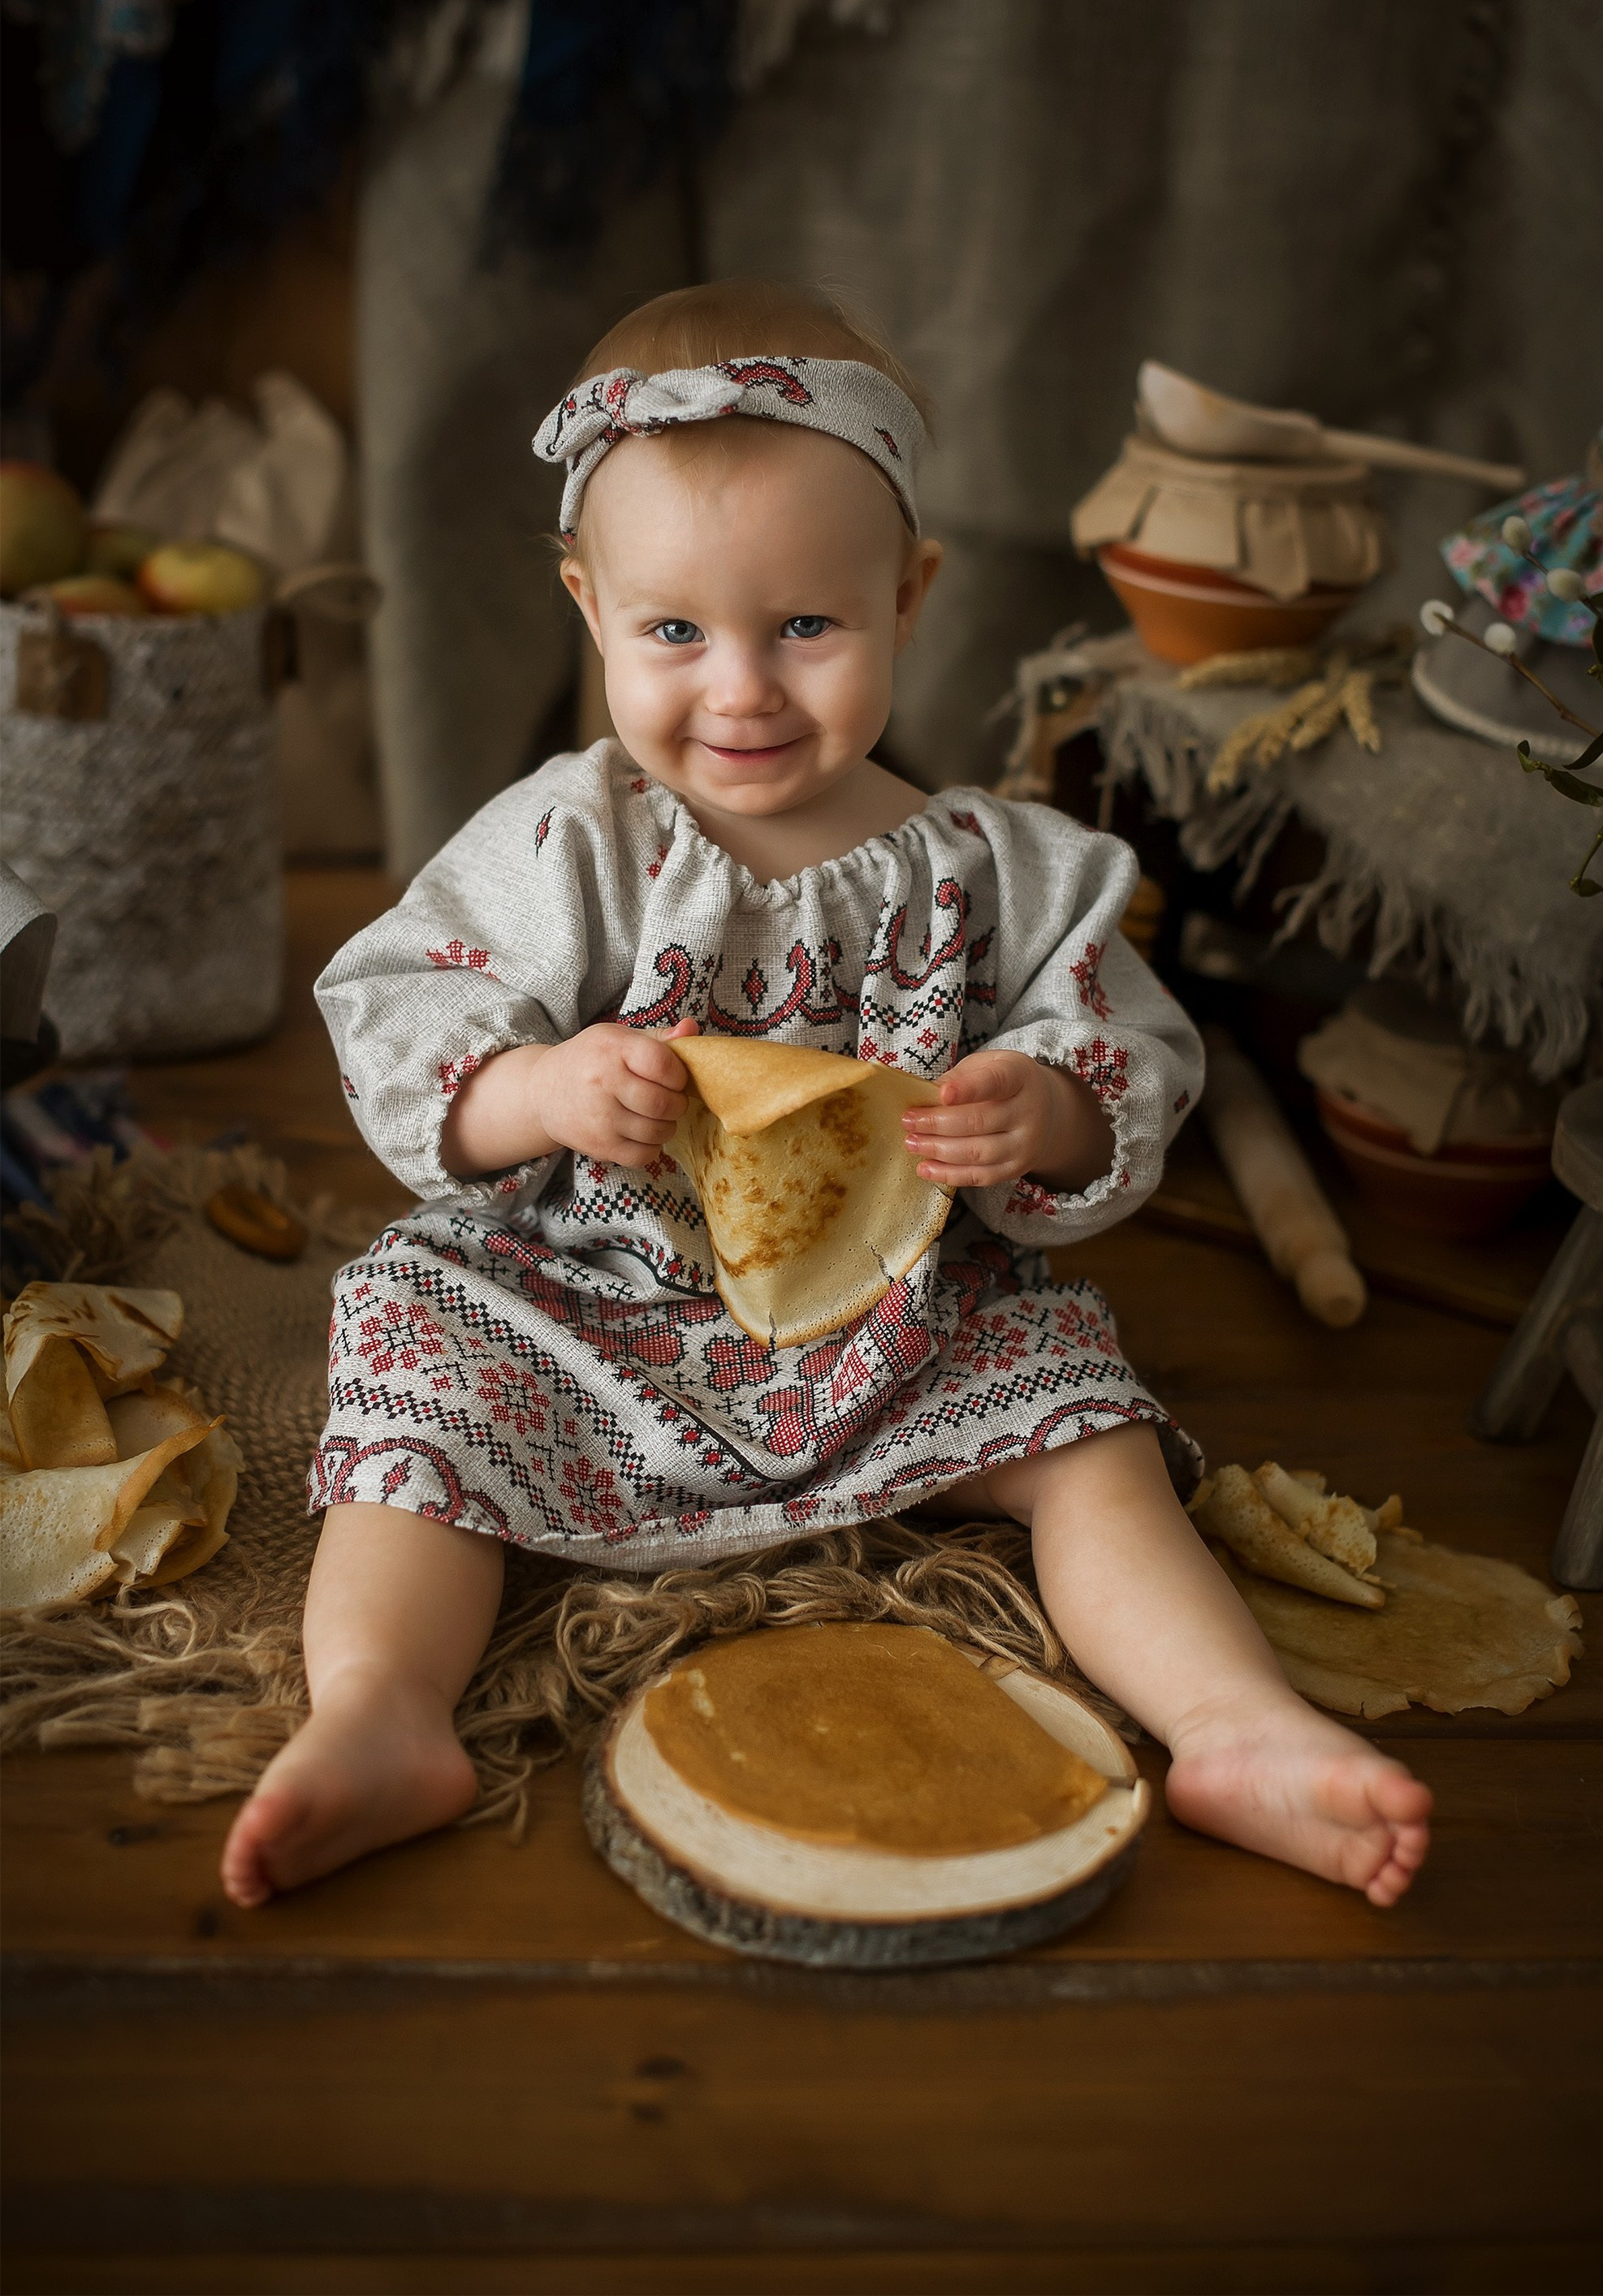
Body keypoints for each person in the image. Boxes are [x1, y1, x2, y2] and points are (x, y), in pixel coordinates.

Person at [221, 282, 1431, 1910]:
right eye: (672, 632)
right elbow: (396, 1012)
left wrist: (1041, 1110)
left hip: (895, 1316)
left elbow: (1130, 1047)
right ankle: (381, 1711)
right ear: (588, 609)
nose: (741, 691)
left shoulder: (993, 871)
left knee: (1084, 1419)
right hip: (585, 1292)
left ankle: (1233, 1726)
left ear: (908, 596)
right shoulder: (570, 843)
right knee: (403, 1353)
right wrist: (540, 1086)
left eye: (805, 626)